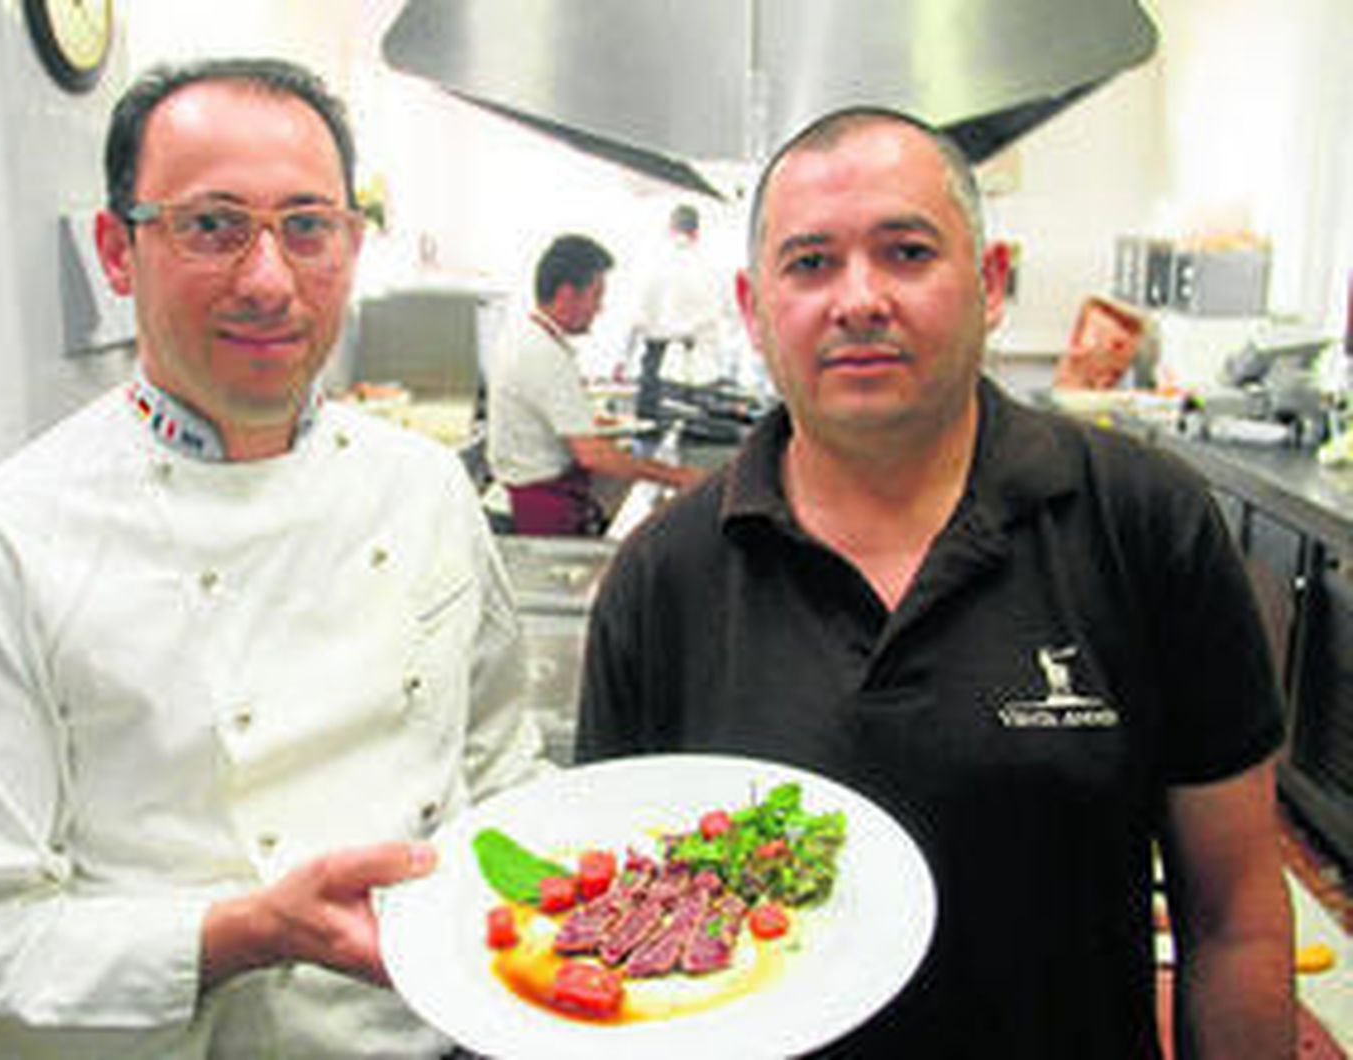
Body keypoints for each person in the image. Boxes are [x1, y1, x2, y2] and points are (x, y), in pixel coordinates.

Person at [575, 107, 1294, 1057]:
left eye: (907, 253)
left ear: (990, 284)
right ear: (753, 307)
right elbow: (623, 940)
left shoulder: (1145, 522)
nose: (858, 299)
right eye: (810, 263)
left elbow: (1236, 916)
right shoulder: (661, 580)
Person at [0, 57, 546, 1058]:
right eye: (212, 225)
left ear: (351, 243)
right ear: (118, 250)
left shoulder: (426, 486)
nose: (269, 280)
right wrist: (241, 934)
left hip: (445, 1035)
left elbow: (497, 764)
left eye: (307, 226)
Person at [486, 233, 704, 535]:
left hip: (534, 499)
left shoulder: (530, 338)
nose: (599, 308)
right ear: (567, 295)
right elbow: (591, 454)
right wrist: (679, 477)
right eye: (596, 295)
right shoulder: (542, 353)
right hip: (534, 512)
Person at [634, 202, 729, 417]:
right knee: (702, 433)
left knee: (654, 432)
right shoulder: (714, 267)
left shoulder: (654, 262)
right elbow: (730, 319)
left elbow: (638, 319)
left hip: (662, 367)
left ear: (670, 228)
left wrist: (621, 361)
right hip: (706, 369)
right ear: (697, 231)